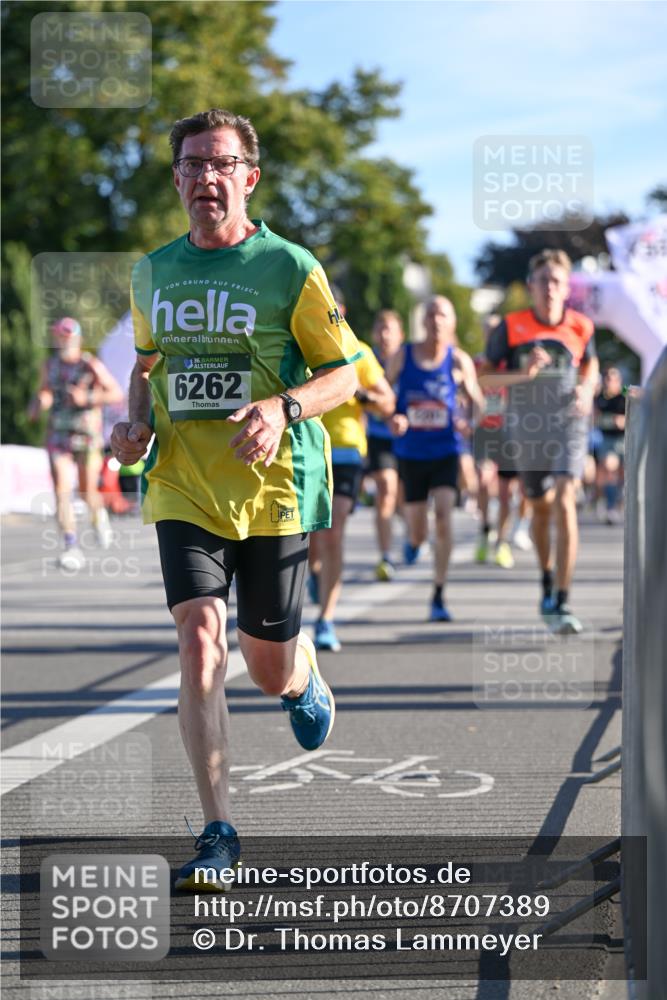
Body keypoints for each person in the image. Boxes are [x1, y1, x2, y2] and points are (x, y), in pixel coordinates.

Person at [110, 109, 361, 889]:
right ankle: (219, 829)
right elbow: (145, 368)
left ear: (248, 177)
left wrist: (279, 408)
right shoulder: (152, 270)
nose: (205, 178)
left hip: (273, 489)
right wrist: (133, 426)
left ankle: (301, 675)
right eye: (191, 165)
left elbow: (344, 374)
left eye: (220, 164)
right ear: (178, 179)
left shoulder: (289, 267)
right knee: (197, 641)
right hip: (185, 483)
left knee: (264, 670)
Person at [479, 249, 599, 634]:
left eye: (556, 282)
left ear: (566, 289)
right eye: (543, 280)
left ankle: (563, 599)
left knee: (565, 500)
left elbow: (591, 365)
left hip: (569, 426)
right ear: (531, 287)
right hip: (527, 430)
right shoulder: (511, 327)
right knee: (541, 508)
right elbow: (483, 380)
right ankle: (547, 578)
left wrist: (587, 388)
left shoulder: (581, 326)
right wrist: (523, 375)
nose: (549, 288)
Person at [386, 296, 484, 622]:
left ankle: (439, 593)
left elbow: (478, 403)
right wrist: (394, 418)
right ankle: (413, 542)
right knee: (418, 530)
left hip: (446, 450)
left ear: (452, 321)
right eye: (430, 313)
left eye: (443, 313)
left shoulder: (458, 360)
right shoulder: (404, 355)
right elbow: (385, 396)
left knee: (443, 516)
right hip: (412, 453)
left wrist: (469, 418)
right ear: (423, 321)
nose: (436, 319)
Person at [308, 291, 395, 651]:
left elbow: (387, 401)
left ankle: (325, 619)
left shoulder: (358, 350)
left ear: (341, 312)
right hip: (304, 451)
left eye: (335, 309)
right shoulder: (299, 343)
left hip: (344, 451)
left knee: (333, 533)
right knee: (310, 537)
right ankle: (316, 573)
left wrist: (359, 394)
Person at [29, 316, 124, 570]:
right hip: (58, 435)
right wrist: (40, 402)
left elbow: (116, 393)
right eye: (59, 337)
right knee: (61, 490)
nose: (63, 341)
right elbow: (45, 391)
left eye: (67, 336)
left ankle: (98, 514)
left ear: (78, 339)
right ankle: (71, 546)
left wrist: (86, 396)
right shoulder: (49, 365)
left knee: (86, 491)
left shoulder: (89, 364)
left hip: (86, 435)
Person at [365, 309, 404, 580]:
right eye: (380, 328)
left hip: (411, 439)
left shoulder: (409, 360)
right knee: (385, 492)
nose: (384, 334)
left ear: (401, 335)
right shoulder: (368, 361)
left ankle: (414, 536)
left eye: (389, 328)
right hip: (380, 437)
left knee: (405, 501)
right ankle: (386, 555)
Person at [593, 366, 626, 524]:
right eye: (606, 379)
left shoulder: (626, 395)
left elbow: (638, 414)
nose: (609, 382)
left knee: (624, 475)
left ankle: (618, 503)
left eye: (612, 379)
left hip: (626, 440)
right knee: (608, 467)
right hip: (607, 440)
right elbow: (593, 418)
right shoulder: (599, 397)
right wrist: (611, 420)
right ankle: (610, 506)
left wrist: (623, 421)